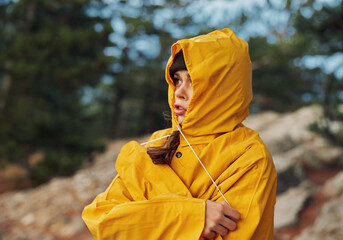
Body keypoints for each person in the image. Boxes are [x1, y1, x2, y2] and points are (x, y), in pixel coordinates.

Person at [82, 28, 277, 240]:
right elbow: (101, 220)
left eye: (194, 81)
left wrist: (139, 219)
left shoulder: (249, 157)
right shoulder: (159, 142)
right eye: (177, 79)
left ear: (225, 88)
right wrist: (193, 217)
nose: (179, 92)